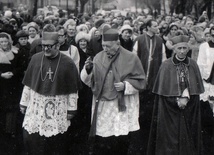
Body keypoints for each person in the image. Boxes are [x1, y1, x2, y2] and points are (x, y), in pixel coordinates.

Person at [80, 28, 145, 155]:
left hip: (122, 105)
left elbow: (141, 81)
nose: (105, 49)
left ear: (118, 43)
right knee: (103, 141)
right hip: (104, 106)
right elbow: (89, 82)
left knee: (121, 140)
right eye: (103, 45)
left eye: (108, 46)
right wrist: (88, 70)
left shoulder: (131, 58)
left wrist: (126, 86)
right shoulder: (98, 57)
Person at [19, 31, 79, 155]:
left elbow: (73, 89)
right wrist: (23, 103)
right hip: (37, 104)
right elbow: (28, 84)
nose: (46, 48)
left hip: (58, 105)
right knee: (34, 139)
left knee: (56, 142)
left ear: (57, 45)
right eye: (43, 46)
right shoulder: (35, 59)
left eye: (49, 46)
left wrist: (71, 109)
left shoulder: (68, 62)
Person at [147, 35, 204, 155]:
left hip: (189, 108)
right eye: (179, 48)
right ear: (174, 49)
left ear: (188, 49)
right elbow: (162, 93)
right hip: (169, 110)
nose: (182, 51)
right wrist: (177, 100)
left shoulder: (193, 64)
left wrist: (186, 98)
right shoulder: (166, 65)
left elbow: (196, 89)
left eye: (184, 48)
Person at [132, 19, 166, 154]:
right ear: (148, 27)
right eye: (155, 26)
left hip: (154, 79)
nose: (157, 27)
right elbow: (133, 59)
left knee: (151, 110)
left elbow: (163, 60)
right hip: (140, 79)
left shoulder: (160, 41)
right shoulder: (139, 40)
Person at [0, 32, 26, 153]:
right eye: (1, 42)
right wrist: (1, 75)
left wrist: (13, 73)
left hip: (13, 86)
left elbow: (22, 67)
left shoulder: (17, 53)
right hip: (1, 86)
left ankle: (10, 135)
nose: (4, 44)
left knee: (12, 111)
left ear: (9, 42)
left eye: (6, 41)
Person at [197, 26, 214, 155]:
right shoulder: (204, 47)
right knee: (207, 106)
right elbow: (200, 63)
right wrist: (206, 77)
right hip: (208, 79)